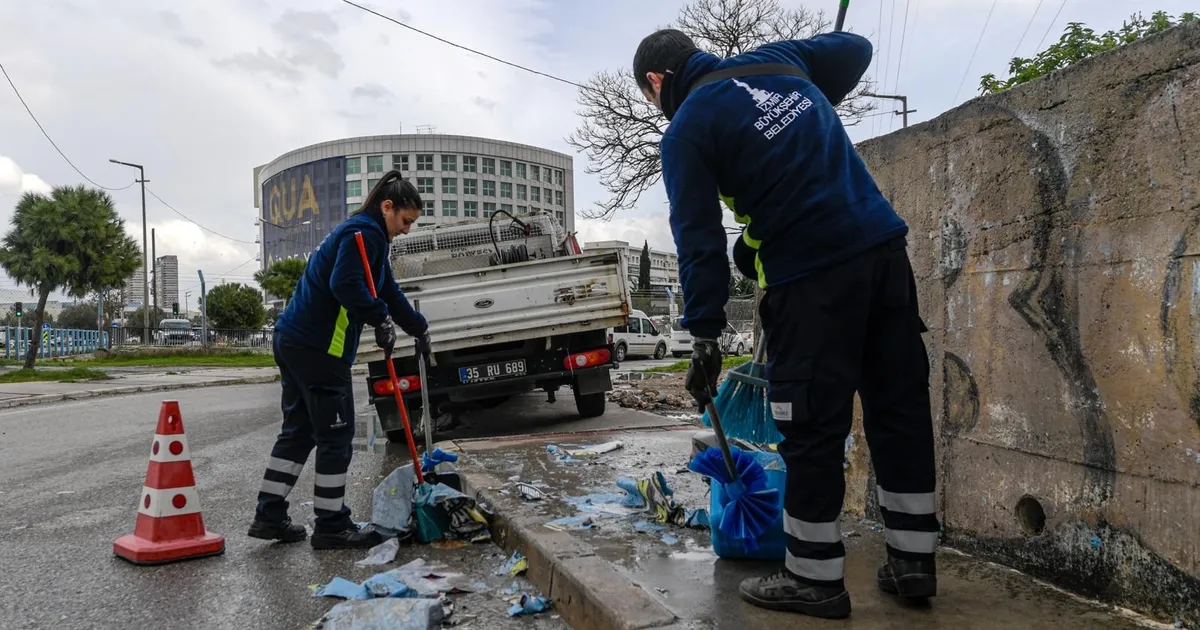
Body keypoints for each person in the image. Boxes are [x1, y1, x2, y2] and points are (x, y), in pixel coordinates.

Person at [633, 29, 940, 618]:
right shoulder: (778, 60)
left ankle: (814, 576)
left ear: (656, 83)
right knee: (898, 408)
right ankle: (913, 562)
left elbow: (696, 242)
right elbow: (855, 48)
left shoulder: (688, 128)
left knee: (811, 426)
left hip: (813, 276)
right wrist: (812, 94)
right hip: (883, 253)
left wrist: (704, 334)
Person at [248, 170, 432, 550]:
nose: (407, 230)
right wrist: (378, 315)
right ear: (387, 207)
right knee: (336, 435)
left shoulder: (369, 236)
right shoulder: (362, 235)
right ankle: (331, 525)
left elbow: (386, 288)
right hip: (319, 349)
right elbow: (345, 285)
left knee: (299, 432)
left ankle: (269, 515)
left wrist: (418, 327)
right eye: (405, 221)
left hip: (295, 340)